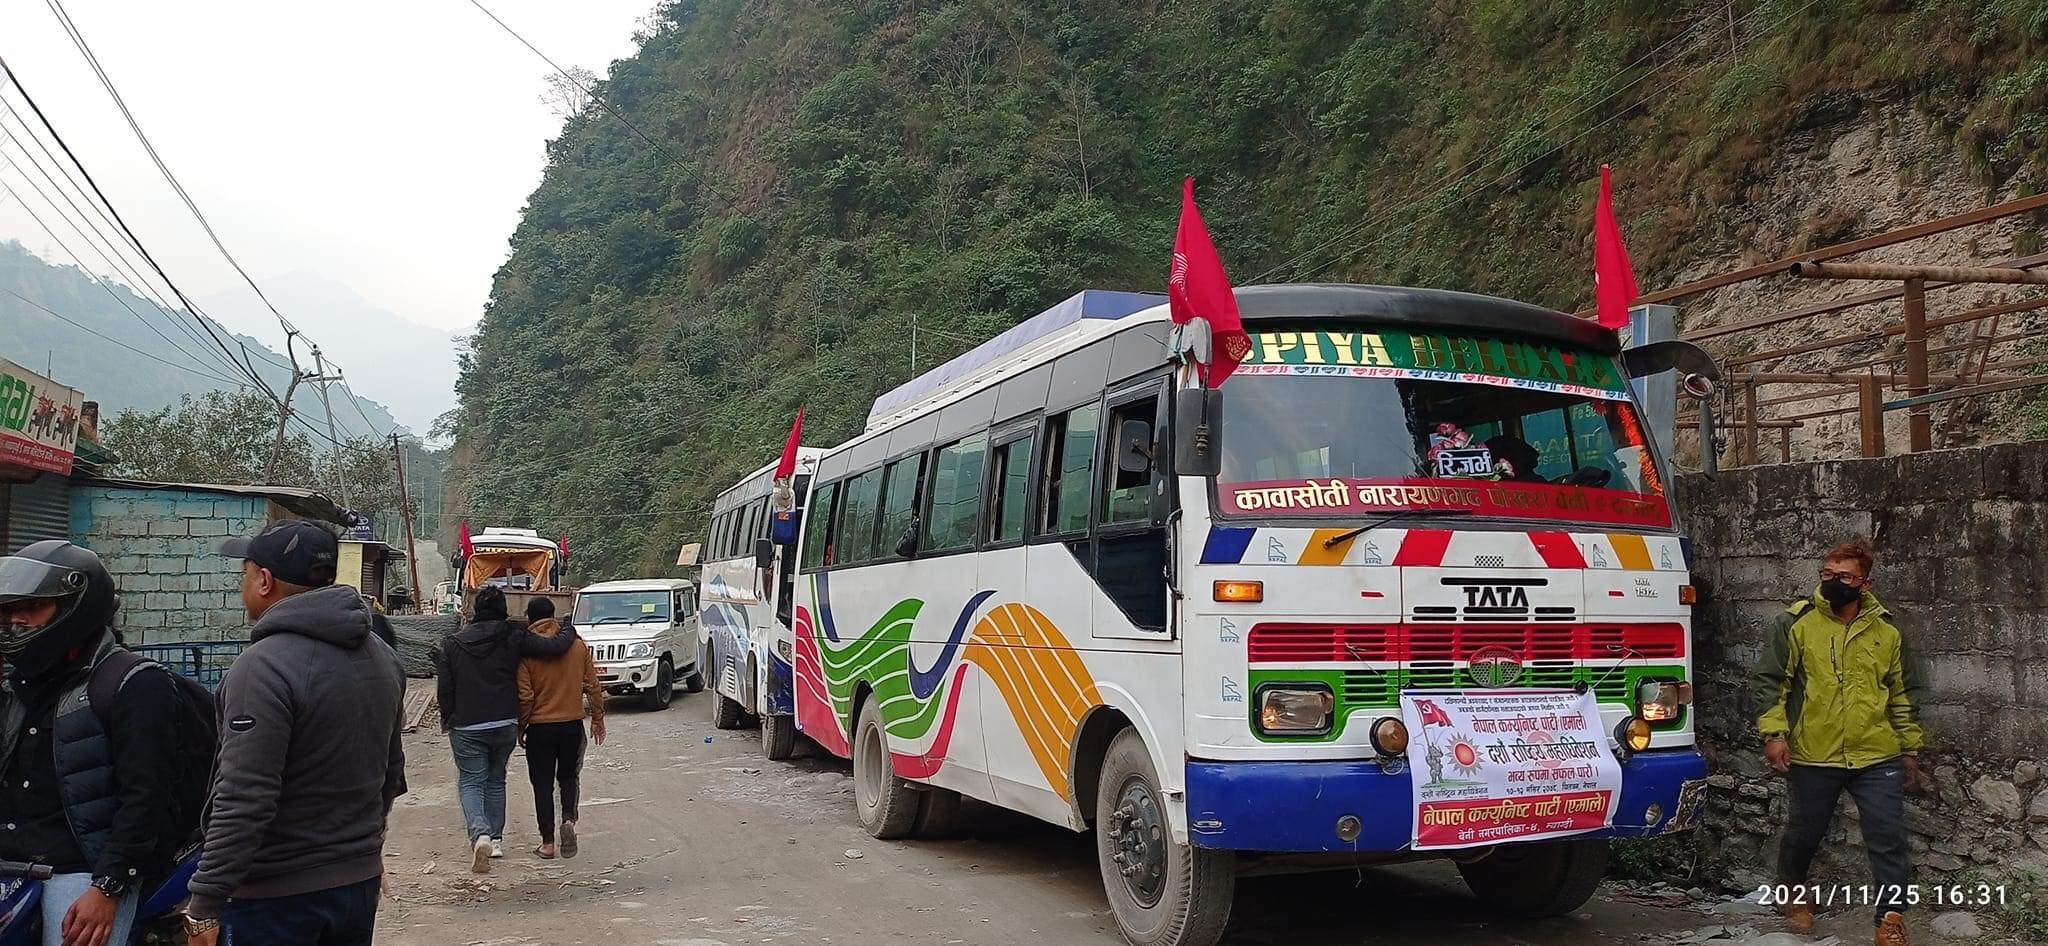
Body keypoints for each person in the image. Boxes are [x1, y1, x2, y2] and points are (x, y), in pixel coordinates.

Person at [184, 520, 408, 946]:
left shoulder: (262, 667)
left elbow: (244, 796)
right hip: (354, 885)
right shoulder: (381, 656)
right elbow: (389, 773)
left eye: (244, 574)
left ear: (264, 580)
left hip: (275, 895)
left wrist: (205, 903)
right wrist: (363, 853)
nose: (242, 585)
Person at [0, 541, 195, 946]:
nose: (15, 621)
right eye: (9, 609)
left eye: (31, 609)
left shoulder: (133, 683)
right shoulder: (16, 684)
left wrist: (107, 886)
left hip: (83, 872)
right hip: (11, 863)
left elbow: (147, 795)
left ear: (77, 608)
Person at [1751, 540, 1926, 946]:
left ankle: (1890, 920)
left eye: (1843, 576)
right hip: (1814, 751)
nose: (1833, 583)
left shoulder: (1887, 630)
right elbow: (1773, 682)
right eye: (1826, 575)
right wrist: (1774, 734)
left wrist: (1910, 748)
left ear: (1865, 583)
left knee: (1888, 839)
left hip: (1876, 753)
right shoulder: (1796, 623)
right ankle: (1793, 893)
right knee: (1805, 833)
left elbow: (1902, 693)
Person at [435, 586, 577, 873]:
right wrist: (568, 630)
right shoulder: (513, 636)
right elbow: (553, 648)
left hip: (467, 723)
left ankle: (480, 835)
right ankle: (496, 841)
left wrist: (448, 718)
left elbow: (445, 688)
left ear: (475, 611)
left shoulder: (453, 642)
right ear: (503, 610)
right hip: (504, 722)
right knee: (496, 779)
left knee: (472, 781)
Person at [517, 597, 605, 860]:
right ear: (554, 615)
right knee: (568, 776)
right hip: (571, 724)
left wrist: (522, 725)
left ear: (529, 618)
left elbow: (525, 696)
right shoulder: (577, 646)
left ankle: (547, 843)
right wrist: (598, 717)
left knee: (542, 784)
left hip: (540, 728)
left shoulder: (526, 652)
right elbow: (593, 685)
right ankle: (568, 819)